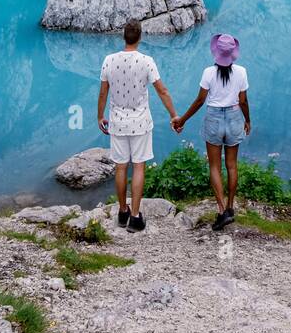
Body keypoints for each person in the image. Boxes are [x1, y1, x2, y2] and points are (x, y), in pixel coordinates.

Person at [98, 19, 179, 232]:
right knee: (139, 167)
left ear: (123, 36)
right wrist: (174, 115)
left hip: (117, 122)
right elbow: (162, 91)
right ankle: (135, 217)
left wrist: (100, 116)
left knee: (121, 167)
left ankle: (122, 211)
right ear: (140, 37)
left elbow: (103, 92)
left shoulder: (109, 60)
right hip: (141, 123)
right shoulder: (146, 61)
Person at [172, 33, 250, 232]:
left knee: (214, 166)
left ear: (216, 53)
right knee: (231, 165)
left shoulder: (208, 73)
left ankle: (222, 210)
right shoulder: (241, 72)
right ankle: (231, 208)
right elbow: (243, 101)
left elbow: (200, 101)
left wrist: (182, 120)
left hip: (214, 118)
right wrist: (247, 120)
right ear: (233, 54)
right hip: (234, 117)